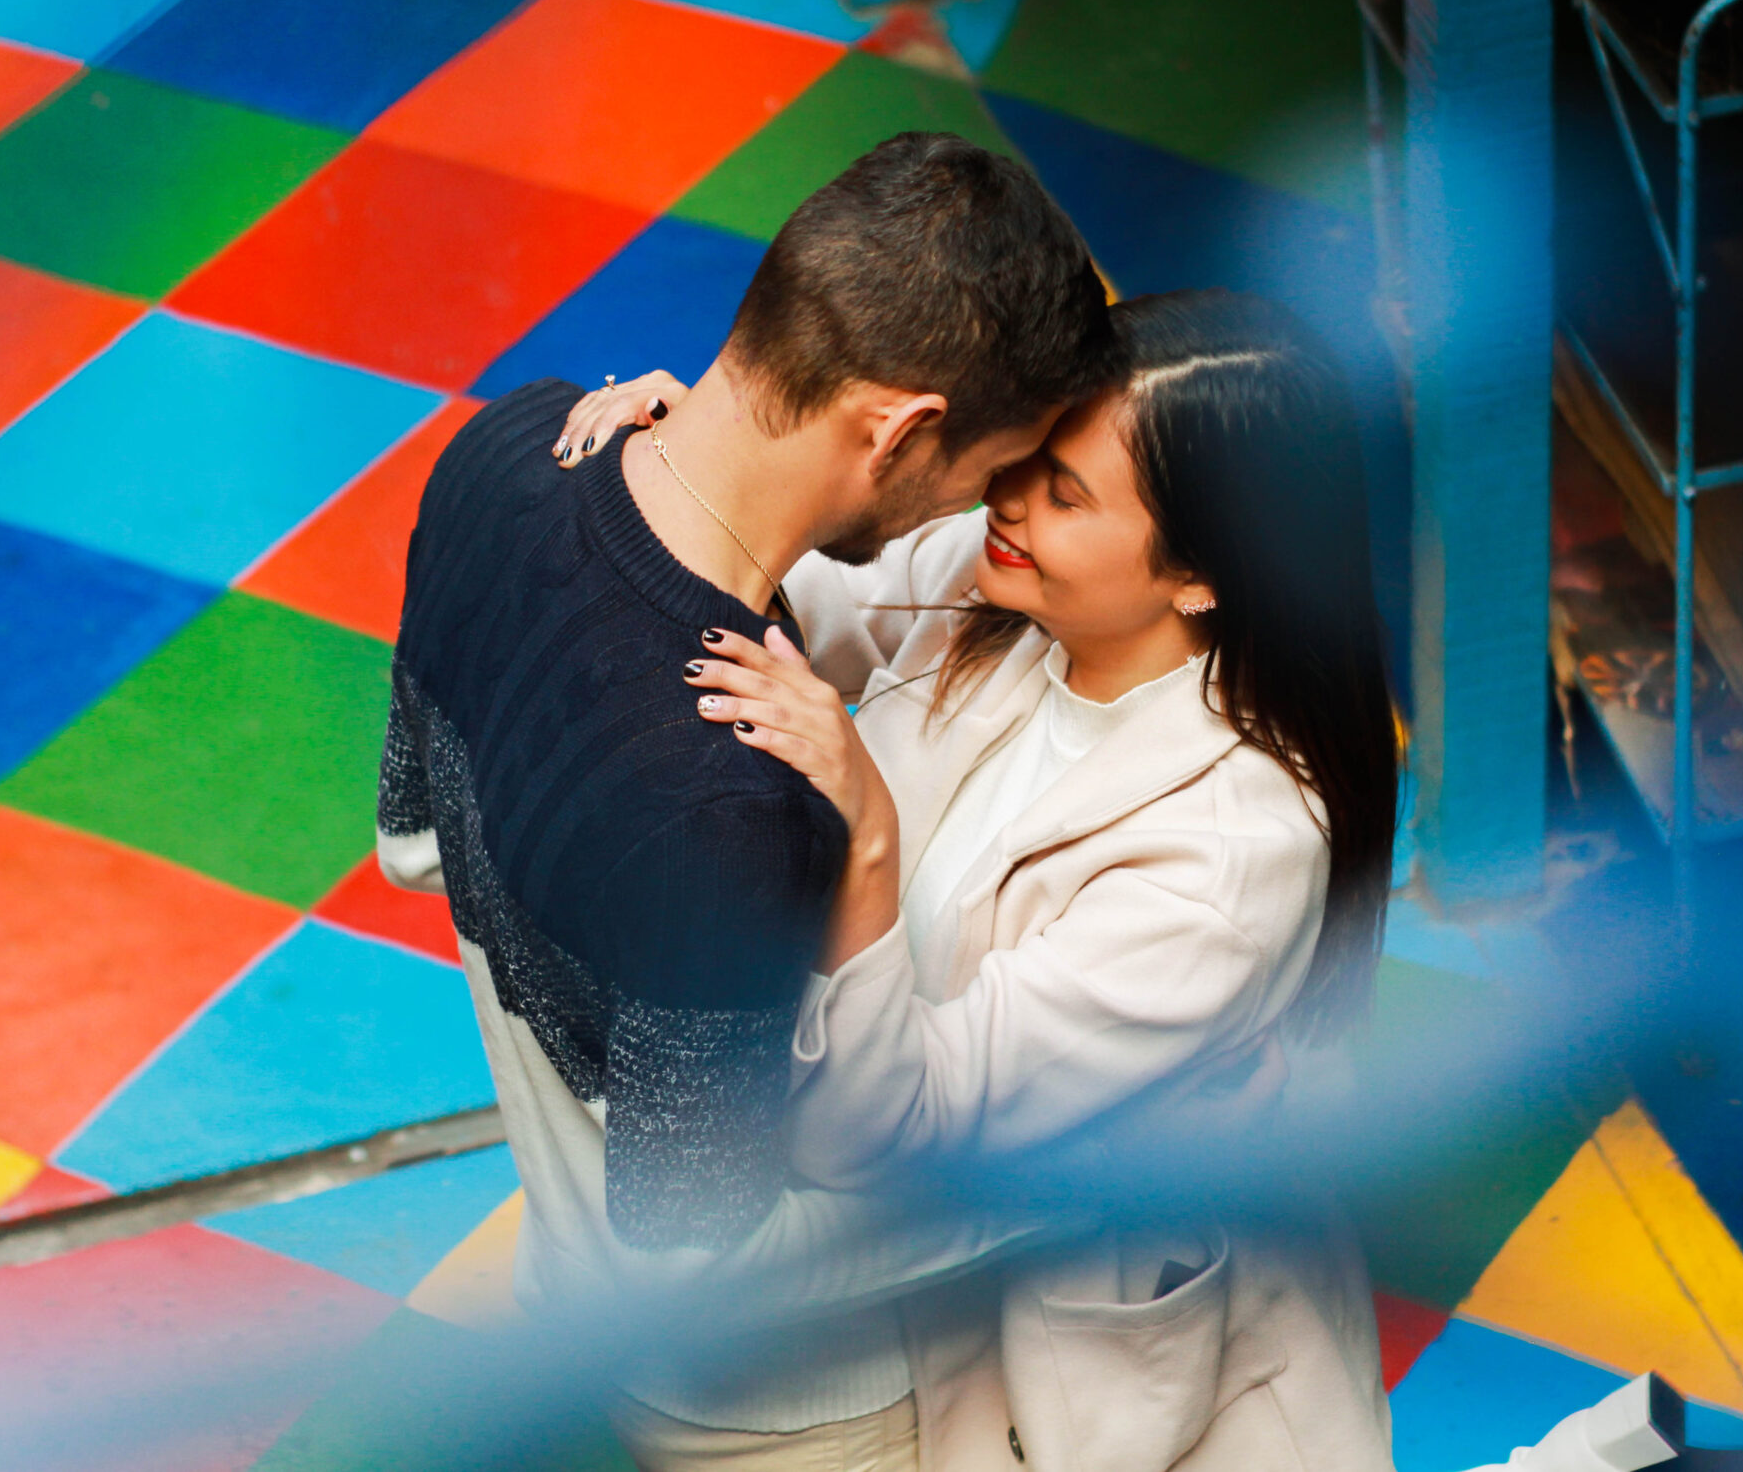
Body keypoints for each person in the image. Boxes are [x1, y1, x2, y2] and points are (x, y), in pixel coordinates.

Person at [374, 132, 1120, 1470]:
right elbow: (695, 1243)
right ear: (900, 427)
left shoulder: (500, 446)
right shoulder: (732, 800)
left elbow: (411, 845)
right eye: (984, 473)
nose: (983, 511)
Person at [573, 289, 1400, 1469]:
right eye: (1030, 458)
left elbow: (893, 1130)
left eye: (1067, 496)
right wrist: (706, 477)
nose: (1004, 500)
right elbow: (796, 592)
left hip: (1097, 1376)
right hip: (935, 1289)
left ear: (1205, 576)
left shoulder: (1229, 857)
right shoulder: (1011, 578)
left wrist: (865, 837)